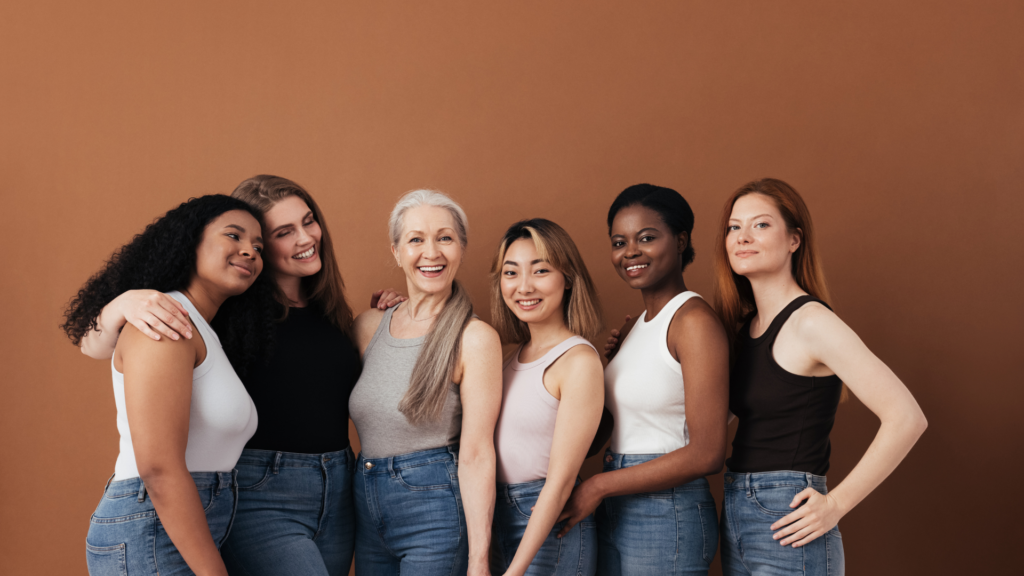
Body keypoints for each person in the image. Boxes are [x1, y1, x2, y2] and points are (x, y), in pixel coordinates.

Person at [77, 175, 406, 576]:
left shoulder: (333, 315)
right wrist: (124, 304)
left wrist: (399, 317)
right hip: (257, 491)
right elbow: (99, 346)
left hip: (338, 487)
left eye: (308, 221)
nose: (305, 238)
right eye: (283, 233)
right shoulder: (224, 313)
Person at [714, 178, 927, 576]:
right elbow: (712, 420)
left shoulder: (812, 322)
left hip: (788, 513)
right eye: (733, 226)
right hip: (738, 511)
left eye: (760, 225)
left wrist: (836, 504)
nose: (742, 237)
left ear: (794, 240)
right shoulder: (746, 329)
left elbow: (907, 417)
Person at [62, 195, 275, 576]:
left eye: (258, 247)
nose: (250, 251)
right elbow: (159, 468)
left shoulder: (201, 328)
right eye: (234, 235)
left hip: (175, 524)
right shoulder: (165, 321)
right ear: (190, 241)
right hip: (152, 528)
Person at [558, 184, 730, 576]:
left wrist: (598, 486)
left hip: (665, 510)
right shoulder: (636, 327)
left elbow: (708, 453)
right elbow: (605, 429)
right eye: (619, 242)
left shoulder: (693, 322)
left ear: (681, 240)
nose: (630, 252)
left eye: (647, 238)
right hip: (619, 500)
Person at [348, 189, 503, 576]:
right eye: (416, 239)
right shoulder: (368, 326)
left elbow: (478, 453)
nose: (431, 252)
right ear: (397, 251)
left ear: (461, 248)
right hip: (364, 505)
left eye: (445, 237)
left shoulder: (475, 338)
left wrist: (479, 560)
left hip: (435, 508)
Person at [489, 219, 604, 576]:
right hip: (497, 514)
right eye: (511, 273)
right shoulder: (506, 356)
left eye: (540, 271)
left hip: (546, 522)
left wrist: (515, 570)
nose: (524, 286)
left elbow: (561, 481)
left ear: (567, 278)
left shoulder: (579, 361)